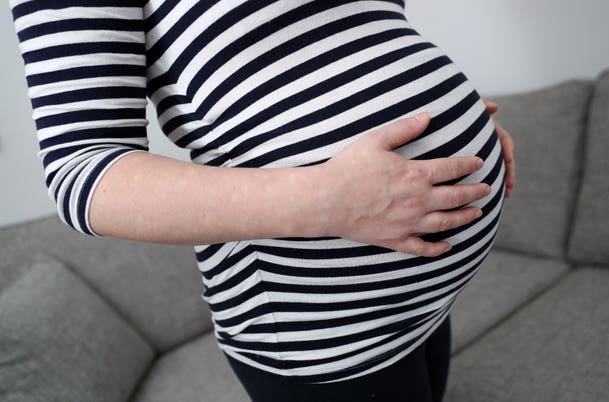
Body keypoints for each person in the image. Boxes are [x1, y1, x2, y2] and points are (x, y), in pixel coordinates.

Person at [9, 1, 515, 401]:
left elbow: (362, 31)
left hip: (425, 291)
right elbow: (81, 174)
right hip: (319, 319)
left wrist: (456, 115)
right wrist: (331, 199)